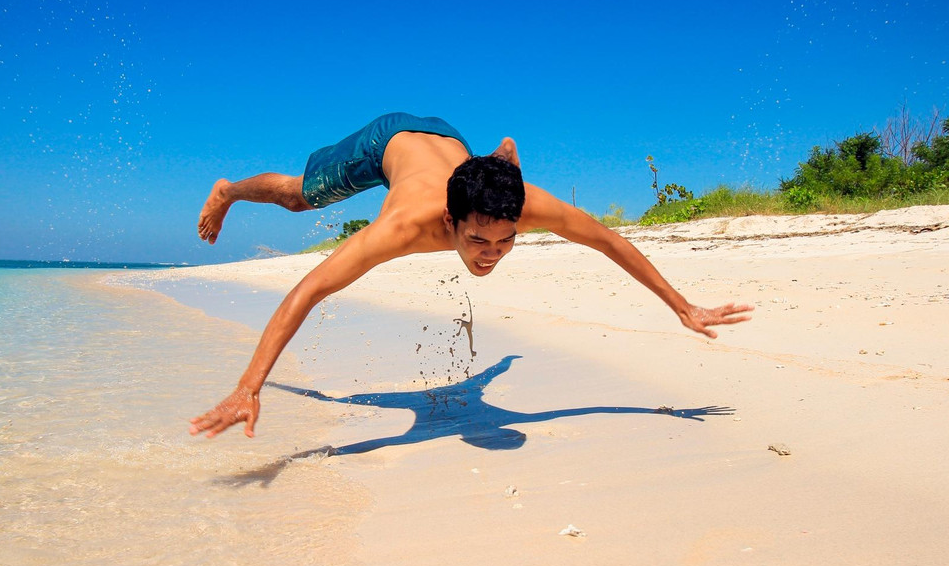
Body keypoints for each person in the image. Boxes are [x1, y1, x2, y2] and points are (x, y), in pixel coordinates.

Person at [191, 112, 752, 439]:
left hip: (453, 141)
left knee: (503, 189)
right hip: (388, 143)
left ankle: (497, 161)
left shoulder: (526, 206)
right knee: (298, 198)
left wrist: (682, 305)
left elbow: (608, 239)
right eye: (477, 240)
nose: (490, 255)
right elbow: (309, 289)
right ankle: (230, 189)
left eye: (506, 242)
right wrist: (248, 388)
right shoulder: (404, 227)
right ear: (448, 221)